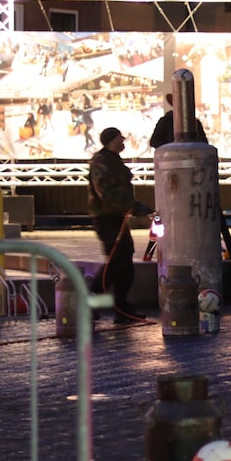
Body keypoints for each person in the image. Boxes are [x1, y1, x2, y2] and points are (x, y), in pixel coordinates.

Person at [149, 93, 231, 259]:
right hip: (174, 178)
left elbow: (203, 144)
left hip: (198, 178)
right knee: (166, 215)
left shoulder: (195, 123)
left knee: (211, 211)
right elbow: (155, 142)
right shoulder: (165, 122)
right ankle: (157, 249)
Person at [88, 127, 151, 323]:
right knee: (116, 260)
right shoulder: (102, 163)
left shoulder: (112, 160)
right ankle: (89, 302)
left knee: (124, 260)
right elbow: (107, 194)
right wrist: (135, 207)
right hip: (106, 217)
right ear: (111, 140)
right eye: (119, 138)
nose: (123, 140)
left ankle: (122, 308)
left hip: (116, 217)